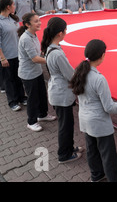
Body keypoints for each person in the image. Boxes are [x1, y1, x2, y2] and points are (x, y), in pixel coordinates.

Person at [70, 39, 117, 182]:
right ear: (102, 55)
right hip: (99, 123)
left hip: (85, 120)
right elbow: (109, 107)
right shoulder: (99, 79)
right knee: (108, 155)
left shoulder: (79, 71)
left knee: (92, 151)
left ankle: (96, 176)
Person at [41, 17, 83, 163]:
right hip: (61, 94)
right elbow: (70, 75)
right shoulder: (57, 53)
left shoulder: (50, 48)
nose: (66, 32)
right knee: (65, 127)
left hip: (58, 92)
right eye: (65, 30)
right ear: (60, 33)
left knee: (68, 124)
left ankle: (69, 148)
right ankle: (64, 154)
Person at [17, 13, 56, 132]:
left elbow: (38, 54)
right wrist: (52, 60)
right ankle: (31, 121)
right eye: (35, 21)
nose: (39, 23)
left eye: (39, 20)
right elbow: (34, 58)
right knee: (33, 98)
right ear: (28, 24)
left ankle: (42, 114)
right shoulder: (25, 38)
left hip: (37, 71)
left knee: (42, 94)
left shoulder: (33, 35)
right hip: (28, 74)